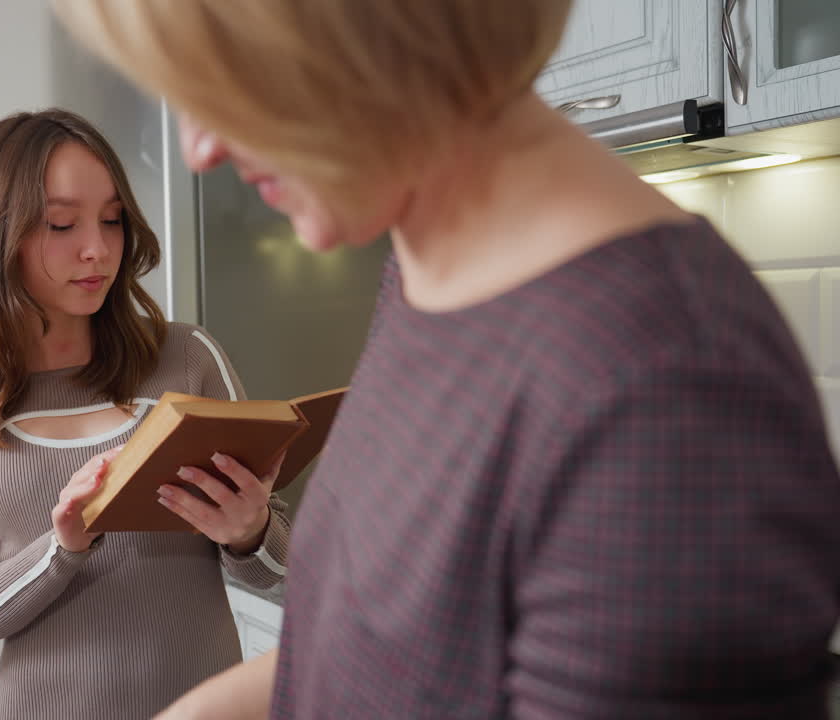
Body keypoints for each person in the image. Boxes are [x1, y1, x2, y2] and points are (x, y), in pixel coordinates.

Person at [53, 2, 840, 718]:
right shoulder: (432, 270)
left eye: (234, 81)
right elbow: (381, 653)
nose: (200, 147)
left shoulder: (665, 386)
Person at [0, 108, 292, 720]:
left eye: (112, 220)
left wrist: (248, 533)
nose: (97, 249)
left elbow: (286, 571)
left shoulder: (188, 358)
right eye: (62, 224)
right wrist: (60, 549)